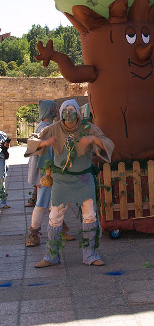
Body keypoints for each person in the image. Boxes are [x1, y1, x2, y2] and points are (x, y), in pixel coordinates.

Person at [25, 99, 114, 267]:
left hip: (83, 180)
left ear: (79, 113)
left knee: (90, 215)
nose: (69, 114)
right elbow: (33, 140)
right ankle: (52, 255)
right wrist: (44, 143)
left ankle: (90, 254)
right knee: (55, 216)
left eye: (72, 110)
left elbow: (108, 144)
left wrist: (92, 140)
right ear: (61, 114)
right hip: (61, 180)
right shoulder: (54, 129)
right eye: (65, 111)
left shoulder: (89, 128)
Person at [25, 100, 75, 247]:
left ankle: (61, 229)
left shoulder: (45, 127)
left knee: (58, 202)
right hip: (47, 175)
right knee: (42, 203)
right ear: (51, 109)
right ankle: (33, 234)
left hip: (48, 174)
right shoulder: (46, 129)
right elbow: (43, 156)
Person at [0, 135, 11, 209]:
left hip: (1, 161)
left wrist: (5, 146)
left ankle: (3, 202)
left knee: (1, 183)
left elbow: (6, 148)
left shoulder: (2, 135)